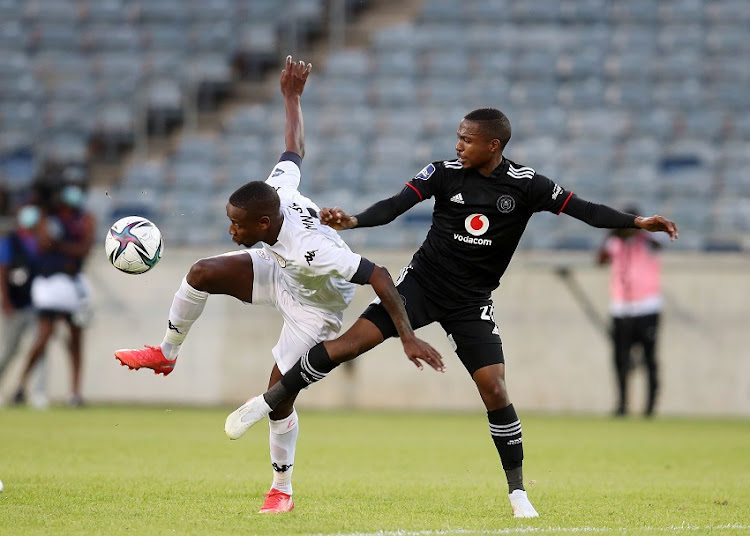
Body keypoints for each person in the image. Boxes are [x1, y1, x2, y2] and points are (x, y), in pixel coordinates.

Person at [229, 107, 679, 518]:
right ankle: (266, 403)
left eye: (466, 140)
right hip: (420, 286)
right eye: (458, 138)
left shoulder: (527, 184)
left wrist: (636, 223)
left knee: (495, 388)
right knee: (347, 346)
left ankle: (519, 494)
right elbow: (394, 206)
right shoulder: (444, 173)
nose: (458, 145)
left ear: (493, 145)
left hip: (471, 301)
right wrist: (354, 220)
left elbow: (585, 210)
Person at [113, 56, 443, 514]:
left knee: (278, 396)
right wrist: (290, 96)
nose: (232, 231)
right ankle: (166, 354)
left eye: (237, 225)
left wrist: (406, 335)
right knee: (202, 271)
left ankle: (281, 490)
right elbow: (294, 150)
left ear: (264, 222)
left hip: (316, 307)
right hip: (275, 270)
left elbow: (380, 275)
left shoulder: (313, 248)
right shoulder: (278, 194)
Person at [13, 183, 96, 407]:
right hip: (50, 282)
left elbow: (84, 249)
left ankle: (75, 394)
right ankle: (21, 386)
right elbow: (42, 245)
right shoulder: (46, 217)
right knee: (44, 336)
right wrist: (66, 246)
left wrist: (58, 245)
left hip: (74, 284)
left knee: (76, 338)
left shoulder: (85, 218)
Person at [597, 205, 665, 417]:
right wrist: (612, 231)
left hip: (647, 307)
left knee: (650, 358)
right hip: (621, 308)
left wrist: (641, 231)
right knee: (620, 359)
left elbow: (659, 246)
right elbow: (600, 260)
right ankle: (622, 404)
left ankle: (650, 407)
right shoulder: (615, 243)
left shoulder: (647, 240)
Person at [0, 204, 48, 407]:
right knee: (10, 349)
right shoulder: (10, 241)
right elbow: (3, 270)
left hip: (39, 304)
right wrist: (6, 300)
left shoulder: (41, 241)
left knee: (40, 348)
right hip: (17, 303)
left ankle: (37, 393)